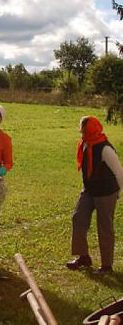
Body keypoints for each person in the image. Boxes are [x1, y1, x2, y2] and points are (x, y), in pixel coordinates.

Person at [66, 116, 123, 274]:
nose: (82, 134)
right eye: (82, 131)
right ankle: (84, 257)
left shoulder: (105, 149)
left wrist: (118, 193)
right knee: (78, 218)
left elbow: (119, 172)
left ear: (93, 130)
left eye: (85, 131)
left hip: (106, 192)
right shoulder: (85, 144)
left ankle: (107, 265)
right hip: (90, 190)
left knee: (104, 227)